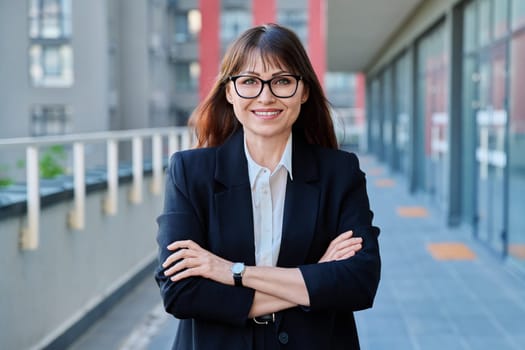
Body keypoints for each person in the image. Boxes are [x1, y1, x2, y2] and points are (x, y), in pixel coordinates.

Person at [155, 23, 381, 350]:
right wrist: (314, 278)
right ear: (229, 91)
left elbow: (359, 282)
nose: (266, 96)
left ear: (304, 91)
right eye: (249, 81)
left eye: (283, 81)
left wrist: (231, 272)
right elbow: (179, 293)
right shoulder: (191, 173)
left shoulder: (340, 173)